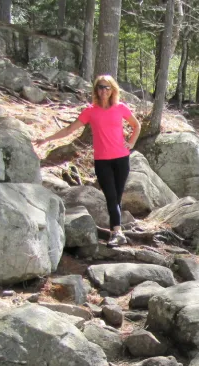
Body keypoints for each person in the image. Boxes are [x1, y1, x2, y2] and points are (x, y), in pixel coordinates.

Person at [38, 74, 141, 246]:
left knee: (117, 197)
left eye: (107, 87)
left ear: (112, 90)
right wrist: (47, 139)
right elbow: (70, 129)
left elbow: (136, 125)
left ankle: (117, 231)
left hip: (122, 159)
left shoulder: (120, 108)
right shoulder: (90, 111)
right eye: (100, 87)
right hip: (102, 161)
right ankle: (116, 232)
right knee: (111, 196)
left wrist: (131, 143)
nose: (103, 90)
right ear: (96, 89)